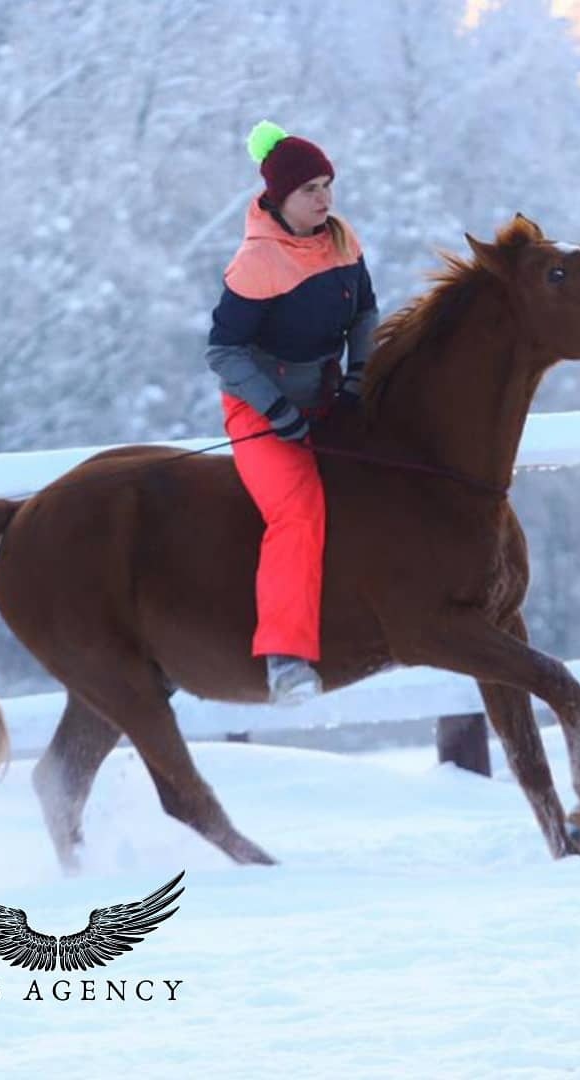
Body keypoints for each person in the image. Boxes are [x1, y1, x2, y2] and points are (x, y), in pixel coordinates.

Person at [205, 120, 379, 705]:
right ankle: (286, 660)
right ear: (280, 198)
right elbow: (223, 352)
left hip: (327, 396)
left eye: (327, 185)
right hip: (261, 410)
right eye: (310, 189)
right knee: (299, 512)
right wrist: (277, 411)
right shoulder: (256, 262)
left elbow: (366, 315)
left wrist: (357, 378)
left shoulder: (342, 239)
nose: (324, 199)